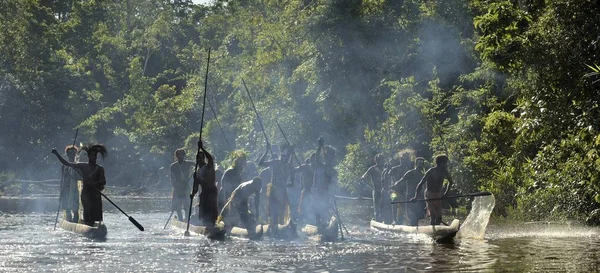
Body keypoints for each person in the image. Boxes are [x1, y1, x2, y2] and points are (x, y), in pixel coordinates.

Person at [52, 144, 107, 226]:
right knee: (87, 213)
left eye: (95, 156)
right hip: (86, 194)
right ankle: (87, 226)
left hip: (95, 195)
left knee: (96, 214)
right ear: (88, 156)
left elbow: (103, 182)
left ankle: (96, 227)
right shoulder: (83, 166)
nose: (94, 158)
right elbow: (67, 163)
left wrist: (95, 183)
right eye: (92, 156)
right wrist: (57, 154)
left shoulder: (99, 168)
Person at [258, 144, 294, 235]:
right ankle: (273, 228)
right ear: (281, 155)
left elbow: (292, 183)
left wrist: (286, 184)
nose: (284, 158)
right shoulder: (275, 162)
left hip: (282, 192)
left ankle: (281, 228)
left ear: (289, 157)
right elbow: (260, 163)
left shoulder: (290, 166)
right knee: (273, 212)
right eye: (283, 155)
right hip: (274, 191)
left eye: (287, 156)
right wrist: (267, 150)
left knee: (281, 212)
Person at [411, 155, 453, 225]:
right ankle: (433, 229)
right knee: (433, 216)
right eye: (445, 163)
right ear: (441, 163)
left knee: (439, 217)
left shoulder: (445, 172)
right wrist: (416, 197)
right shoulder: (431, 171)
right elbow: (420, 184)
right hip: (429, 195)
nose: (446, 164)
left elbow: (451, 182)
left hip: (438, 195)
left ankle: (437, 230)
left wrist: (446, 193)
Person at [191, 140, 218, 227]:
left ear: (204, 158)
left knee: (211, 213)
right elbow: (196, 186)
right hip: (204, 194)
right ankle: (206, 228)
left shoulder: (208, 167)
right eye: (198, 158)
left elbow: (210, 158)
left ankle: (212, 227)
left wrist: (202, 148)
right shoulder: (196, 172)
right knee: (203, 214)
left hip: (212, 192)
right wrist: (192, 193)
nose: (200, 160)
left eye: (201, 158)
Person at [392, 157, 426, 226]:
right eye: (419, 163)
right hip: (410, 197)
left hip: (420, 198)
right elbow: (401, 181)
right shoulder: (410, 173)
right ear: (416, 164)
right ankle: (411, 228)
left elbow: (426, 186)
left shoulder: (423, 175)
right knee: (412, 216)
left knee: (420, 215)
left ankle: (416, 228)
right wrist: (395, 186)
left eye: (422, 163)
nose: (420, 165)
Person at [312, 137, 337, 228]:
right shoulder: (319, 166)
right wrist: (320, 146)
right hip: (317, 192)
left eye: (332, 158)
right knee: (318, 210)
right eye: (329, 157)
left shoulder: (333, 171)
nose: (331, 160)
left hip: (326, 193)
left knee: (325, 209)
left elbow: (333, 184)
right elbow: (317, 158)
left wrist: (332, 193)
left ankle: (325, 224)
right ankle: (318, 225)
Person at [169, 149, 195, 221]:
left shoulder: (187, 163)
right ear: (176, 156)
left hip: (186, 187)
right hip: (177, 188)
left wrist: (196, 168)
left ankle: (186, 219)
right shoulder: (173, 166)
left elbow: (198, 164)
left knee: (187, 206)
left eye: (182, 155)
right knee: (177, 207)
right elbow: (172, 179)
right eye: (179, 155)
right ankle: (180, 219)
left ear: (184, 156)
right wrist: (176, 188)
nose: (181, 157)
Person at [60, 145, 81, 222]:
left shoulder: (78, 165)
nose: (71, 155)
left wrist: (72, 176)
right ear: (67, 155)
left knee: (75, 208)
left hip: (74, 189)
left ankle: (75, 222)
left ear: (75, 155)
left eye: (73, 154)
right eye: (70, 154)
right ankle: (69, 220)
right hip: (66, 189)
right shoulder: (64, 166)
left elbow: (80, 178)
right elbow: (62, 179)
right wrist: (61, 191)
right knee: (67, 208)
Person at [361, 153, 385, 221]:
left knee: (384, 206)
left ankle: (385, 220)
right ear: (376, 161)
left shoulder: (384, 169)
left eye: (382, 160)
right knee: (377, 207)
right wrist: (368, 184)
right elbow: (363, 177)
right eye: (380, 160)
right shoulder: (372, 168)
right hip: (376, 190)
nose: (382, 161)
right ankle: (377, 219)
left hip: (384, 191)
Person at [294, 153, 315, 224]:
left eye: (316, 160)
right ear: (311, 160)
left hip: (316, 192)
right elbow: (294, 170)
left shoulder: (319, 168)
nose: (314, 161)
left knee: (315, 208)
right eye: (313, 160)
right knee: (304, 208)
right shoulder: (305, 167)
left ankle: (315, 222)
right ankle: (303, 222)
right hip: (306, 191)